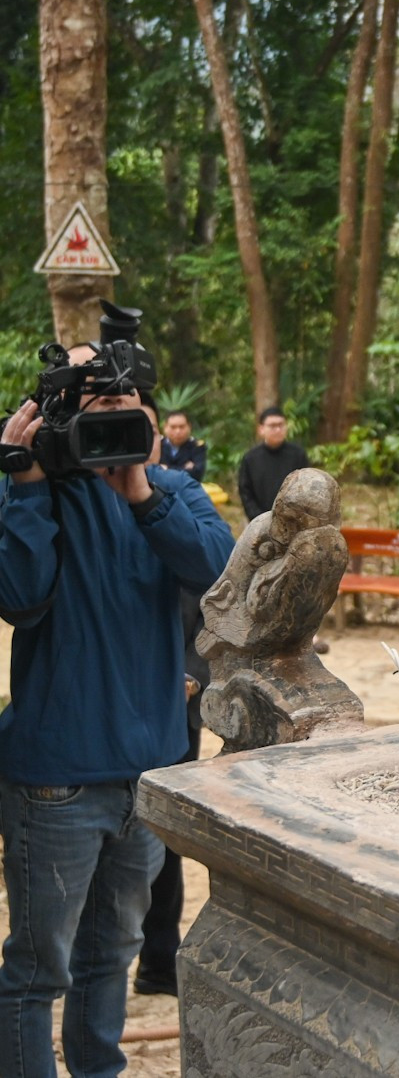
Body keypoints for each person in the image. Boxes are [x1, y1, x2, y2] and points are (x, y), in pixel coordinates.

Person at [0, 349, 236, 1078]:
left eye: (124, 394)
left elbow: (223, 574)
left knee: (113, 957)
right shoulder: (33, 493)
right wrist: (25, 482)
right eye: (88, 395)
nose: (109, 407)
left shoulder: (171, 491)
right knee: (38, 973)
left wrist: (139, 492)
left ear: (151, 416)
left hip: (152, 777)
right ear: (56, 411)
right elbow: (17, 592)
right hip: (54, 781)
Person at [136, 399, 214, 998]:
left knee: (164, 844)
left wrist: (191, 675)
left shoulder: (183, 503)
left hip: (175, 706)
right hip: (114, 708)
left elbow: (213, 609)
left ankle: (160, 962)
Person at [237, 405, 309, 521]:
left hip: (293, 521)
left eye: (281, 425)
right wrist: (258, 518)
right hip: (259, 521)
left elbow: (306, 488)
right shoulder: (250, 458)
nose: (278, 430)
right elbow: (245, 492)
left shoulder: (298, 455)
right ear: (261, 429)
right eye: (272, 426)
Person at [158, 409, 206, 480]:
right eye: (173, 427)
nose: (178, 431)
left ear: (189, 427)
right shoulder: (157, 445)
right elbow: (152, 471)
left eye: (182, 427)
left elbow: (197, 474)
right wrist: (184, 468)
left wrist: (167, 468)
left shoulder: (197, 446)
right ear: (165, 427)